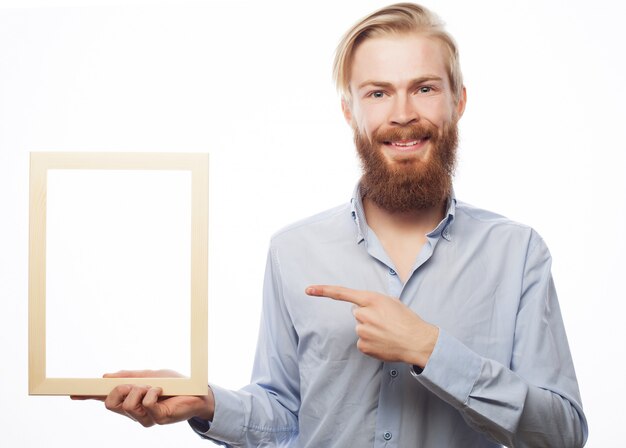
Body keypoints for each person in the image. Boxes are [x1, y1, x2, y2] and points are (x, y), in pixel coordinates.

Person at [87, 3, 588, 446]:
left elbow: (563, 434)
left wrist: (430, 350)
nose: (402, 114)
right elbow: (286, 418)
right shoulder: (294, 250)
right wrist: (207, 404)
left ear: (458, 101)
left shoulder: (517, 252)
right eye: (377, 93)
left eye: (425, 88)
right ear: (349, 111)